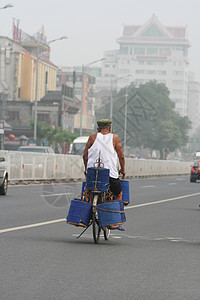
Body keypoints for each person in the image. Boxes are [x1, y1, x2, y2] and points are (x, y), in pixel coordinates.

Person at [83, 119, 125, 231]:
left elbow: (85, 155)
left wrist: (86, 169)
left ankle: (85, 218)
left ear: (98, 129)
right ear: (110, 129)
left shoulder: (92, 137)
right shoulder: (114, 138)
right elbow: (121, 156)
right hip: (109, 173)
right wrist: (123, 170)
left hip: (93, 172)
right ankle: (116, 221)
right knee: (119, 193)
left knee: (89, 192)